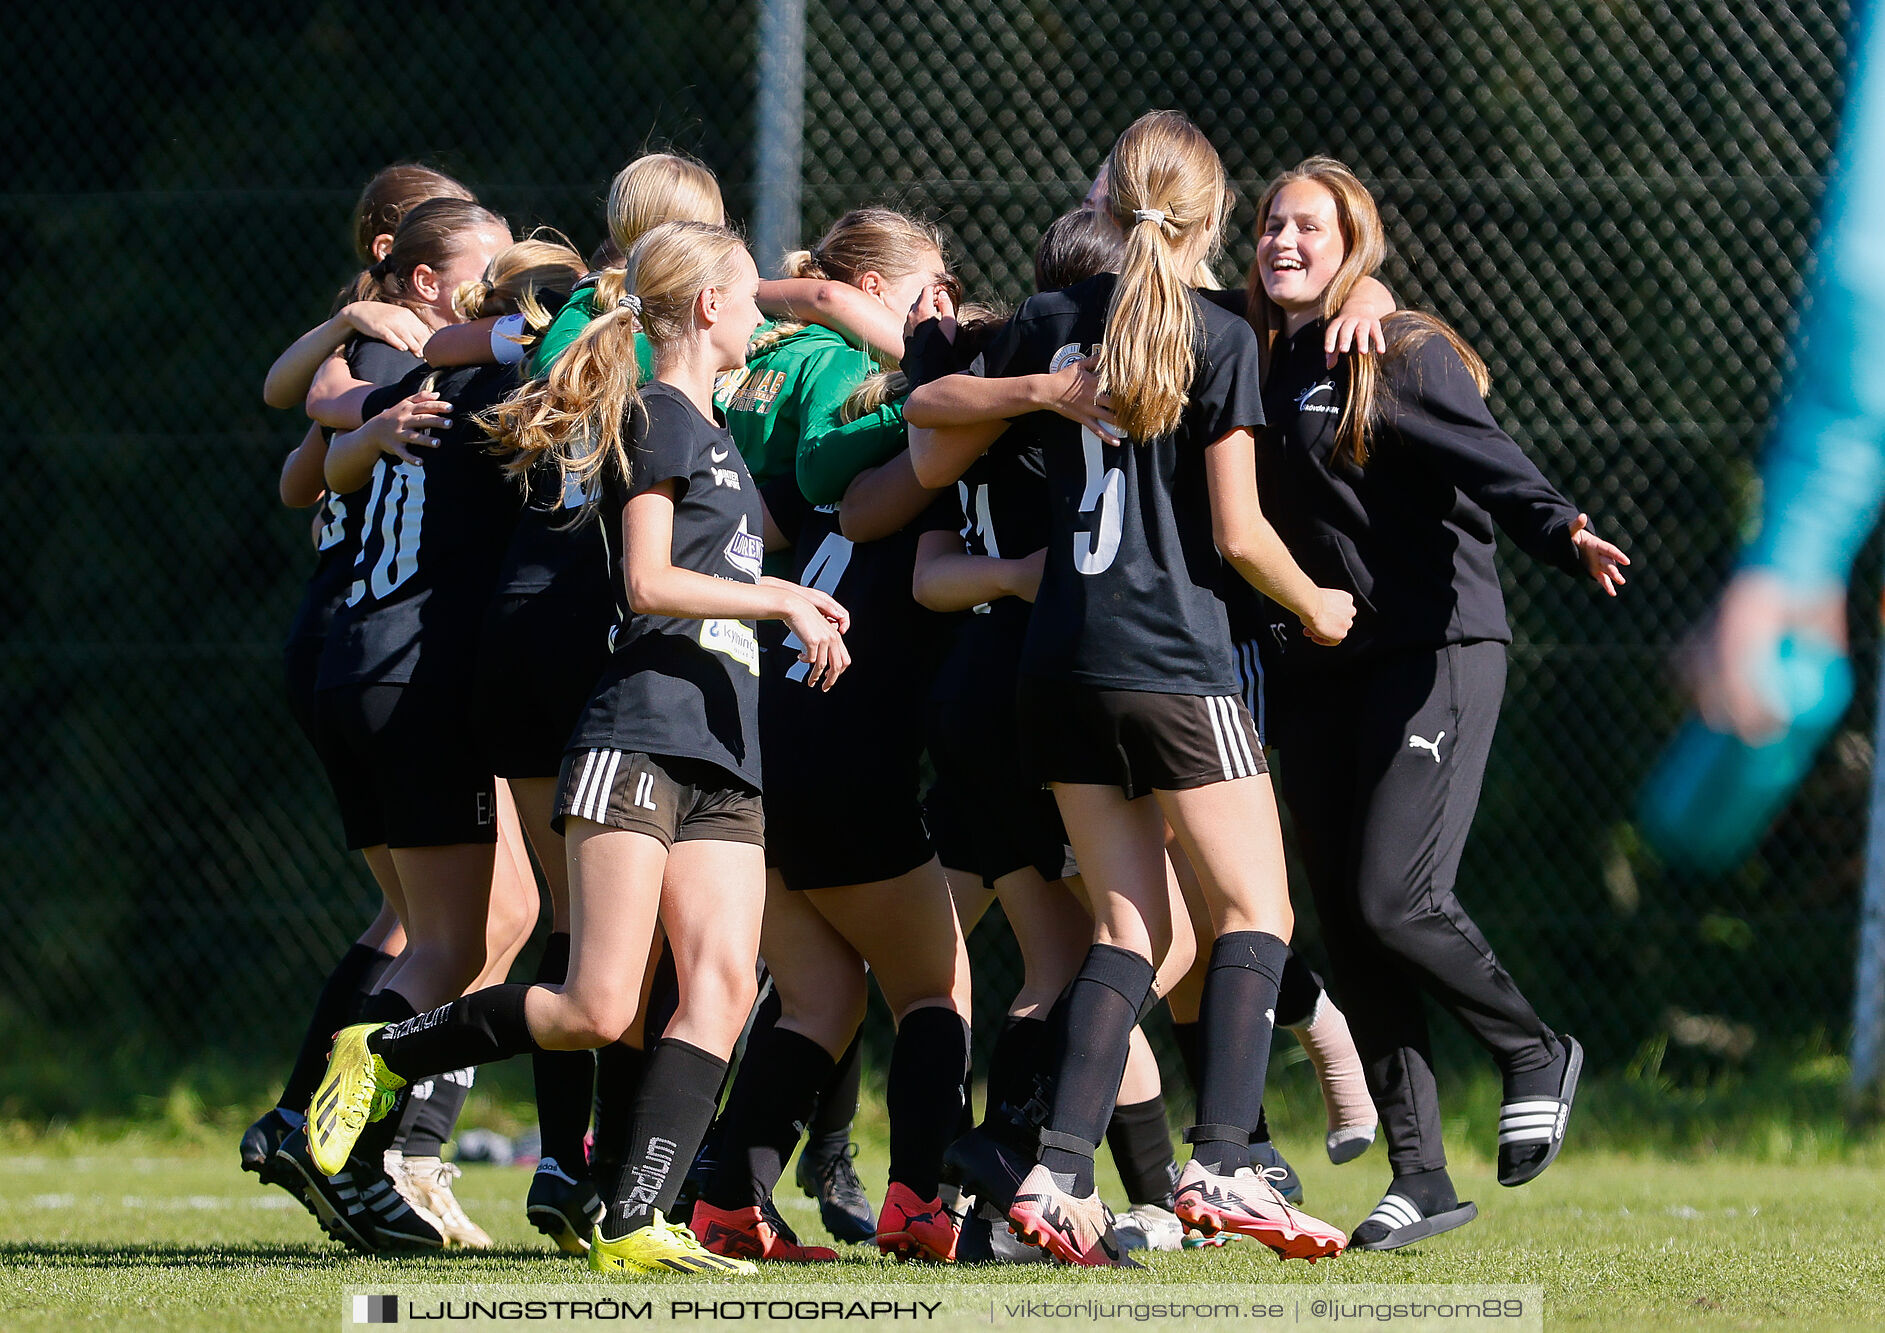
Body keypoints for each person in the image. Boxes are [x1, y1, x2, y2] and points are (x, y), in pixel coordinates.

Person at [305, 220, 852, 1277]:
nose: (759, 318)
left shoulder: (717, 432)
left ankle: (640, 1218)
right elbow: (646, 584)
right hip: (638, 736)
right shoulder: (654, 419)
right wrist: (782, 597)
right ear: (704, 308)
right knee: (598, 1002)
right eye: (747, 300)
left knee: (723, 984)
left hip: (721, 751)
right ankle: (383, 1049)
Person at [905, 110, 1356, 1266]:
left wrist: (1031, 394)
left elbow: (924, 415)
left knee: (1123, 925)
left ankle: (1056, 1175)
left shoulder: (1052, 320)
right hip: (1173, 663)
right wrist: (1317, 606)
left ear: (1104, 205)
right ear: (1210, 217)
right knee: (1256, 913)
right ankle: (1224, 1161)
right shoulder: (1218, 335)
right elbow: (1240, 532)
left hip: (1056, 666)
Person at [1237, 157, 1629, 1251]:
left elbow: (1491, 461)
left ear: (1355, 243)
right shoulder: (1251, 353)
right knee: (1354, 932)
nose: (1284, 240)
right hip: (1317, 670)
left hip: (1436, 651)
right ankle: (1419, 1175)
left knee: (1394, 895)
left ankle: (1531, 1049)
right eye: (1270, 223)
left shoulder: (1396, 347)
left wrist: (1561, 528)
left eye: (1310, 227)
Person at [690, 208, 974, 1264]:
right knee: (935, 989)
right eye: (928, 292)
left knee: (817, 995)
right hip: (843, 749)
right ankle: (919, 1200)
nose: (939, 312)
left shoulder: (809, 399)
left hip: (759, 740)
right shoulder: (901, 411)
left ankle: (728, 1196)